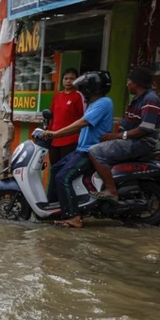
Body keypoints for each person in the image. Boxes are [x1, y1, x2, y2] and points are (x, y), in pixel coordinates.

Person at [41, 70, 114, 229]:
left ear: (91, 87)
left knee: (63, 177)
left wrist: (56, 133)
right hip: (82, 149)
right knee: (56, 170)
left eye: (84, 86)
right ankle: (55, 207)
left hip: (91, 151)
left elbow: (82, 123)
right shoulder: (93, 103)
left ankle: (73, 216)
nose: (81, 89)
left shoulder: (103, 102)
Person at [87, 67, 160, 203]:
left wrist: (117, 136)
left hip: (141, 143)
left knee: (95, 151)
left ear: (136, 83)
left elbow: (145, 128)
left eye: (129, 81)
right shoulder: (139, 99)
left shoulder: (150, 99)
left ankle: (111, 190)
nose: (127, 84)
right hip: (134, 141)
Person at [47, 68, 85, 166]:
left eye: (72, 79)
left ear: (77, 80)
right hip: (54, 140)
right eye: (66, 78)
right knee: (54, 168)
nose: (68, 81)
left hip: (71, 140)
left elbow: (84, 119)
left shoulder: (78, 96)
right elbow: (51, 116)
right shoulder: (57, 96)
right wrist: (49, 133)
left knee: (65, 170)